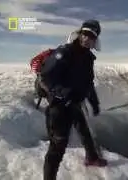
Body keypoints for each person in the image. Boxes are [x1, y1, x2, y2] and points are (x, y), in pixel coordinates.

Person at [39, 19, 107, 180]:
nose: (87, 38)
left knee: (83, 129)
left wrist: (94, 102)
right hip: (59, 107)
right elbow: (45, 78)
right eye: (85, 33)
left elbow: (88, 83)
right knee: (57, 148)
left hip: (74, 103)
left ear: (95, 39)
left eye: (91, 35)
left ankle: (91, 157)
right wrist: (63, 93)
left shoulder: (88, 58)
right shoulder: (65, 52)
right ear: (79, 33)